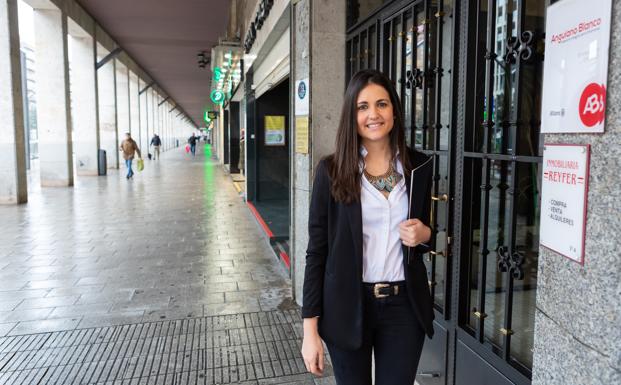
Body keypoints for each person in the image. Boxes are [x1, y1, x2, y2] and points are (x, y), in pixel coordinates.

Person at [301, 69, 434, 385]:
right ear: (352, 114)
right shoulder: (332, 171)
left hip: (404, 306)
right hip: (347, 304)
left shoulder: (418, 166)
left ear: (394, 111)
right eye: (363, 107)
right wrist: (310, 330)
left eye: (382, 104)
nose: (373, 114)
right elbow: (316, 252)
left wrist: (425, 235)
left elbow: (426, 230)